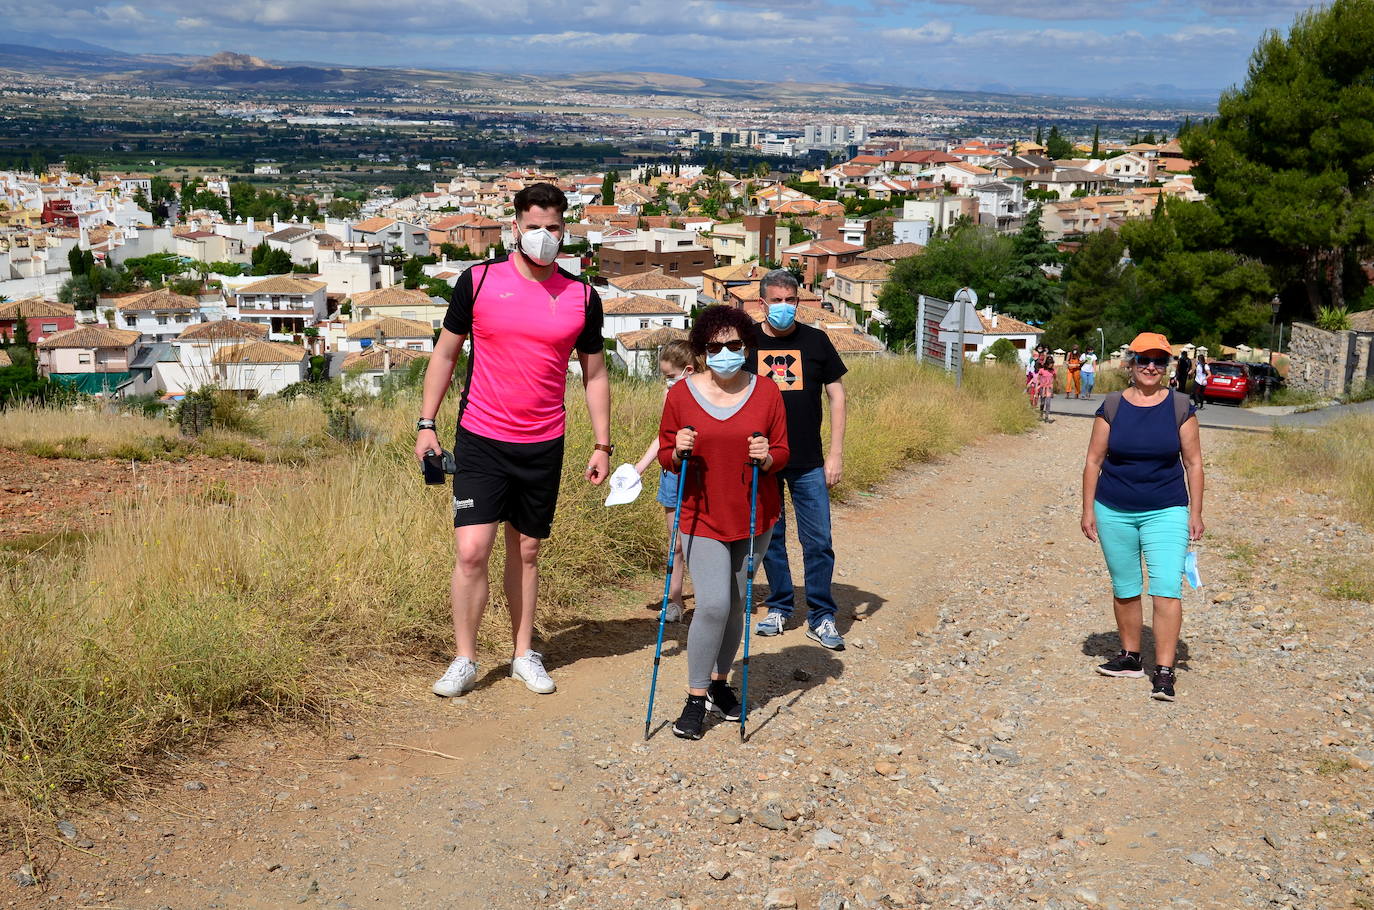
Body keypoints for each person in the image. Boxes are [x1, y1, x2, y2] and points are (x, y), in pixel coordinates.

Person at [416, 182, 611, 698]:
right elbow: (445, 355)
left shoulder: (582, 296)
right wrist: (426, 424)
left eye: (553, 228)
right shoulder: (478, 281)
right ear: (515, 228)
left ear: (565, 230)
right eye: (534, 227)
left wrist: (602, 443)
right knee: (472, 550)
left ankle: (524, 652)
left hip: (544, 441)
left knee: (526, 552)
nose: (544, 237)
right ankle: (465, 658)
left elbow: (594, 374)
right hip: (480, 436)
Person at [659, 305, 789, 739]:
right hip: (702, 514)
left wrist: (767, 458)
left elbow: (783, 451)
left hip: (755, 514)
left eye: (734, 345)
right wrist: (677, 450)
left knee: (735, 605)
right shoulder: (680, 394)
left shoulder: (768, 392)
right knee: (712, 604)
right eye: (715, 347)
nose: (726, 353)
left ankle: (719, 685)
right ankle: (695, 698)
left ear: (747, 346)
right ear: (702, 350)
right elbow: (665, 456)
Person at [1080, 332, 1205, 702]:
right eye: (1144, 360)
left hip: (1166, 510)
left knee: (1166, 586)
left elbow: (1194, 463)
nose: (1151, 367)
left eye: (1159, 361)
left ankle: (1164, 671)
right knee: (1125, 586)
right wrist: (1088, 509)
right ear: (1130, 364)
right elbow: (1093, 461)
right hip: (1113, 510)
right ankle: (1131, 657)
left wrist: (1195, 512)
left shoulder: (1181, 407)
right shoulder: (1113, 405)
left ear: (1168, 367)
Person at [746, 270, 849, 651]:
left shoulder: (817, 341)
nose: (785, 307)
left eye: (791, 300)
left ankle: (822, 615)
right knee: (769, 538)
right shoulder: (747, 343)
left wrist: (835, 454)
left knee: (818, 539)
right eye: (777, 300)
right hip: (762, 460)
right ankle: (779, 605)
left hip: (809, 461)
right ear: (762, 303)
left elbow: (836, 397)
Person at [633, 339, 699, 623]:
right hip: (672, 472)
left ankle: (712, 600)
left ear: (688, 370)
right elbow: (664, 436)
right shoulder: (669, 396)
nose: (667, 383)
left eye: (670, 376)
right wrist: (640, 467)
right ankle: (674, 600)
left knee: (701, 541)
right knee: (677, 542)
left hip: (700, 475)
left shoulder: (710, 394)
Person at [1035, 355, 1056, 421]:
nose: (1051, 365)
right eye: (1050, 364)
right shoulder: (1041, 370)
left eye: (1052, 364)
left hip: (1049, 388)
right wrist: (1036, 387)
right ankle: (1041, 414)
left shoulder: (1053, 371)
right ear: (1047, 364)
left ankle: (1047, 416)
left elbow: (1055, 378)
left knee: (1048, 402)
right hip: (1042, 388)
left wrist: (1054, 386)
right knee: (1042, 403)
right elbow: (1038, 379)